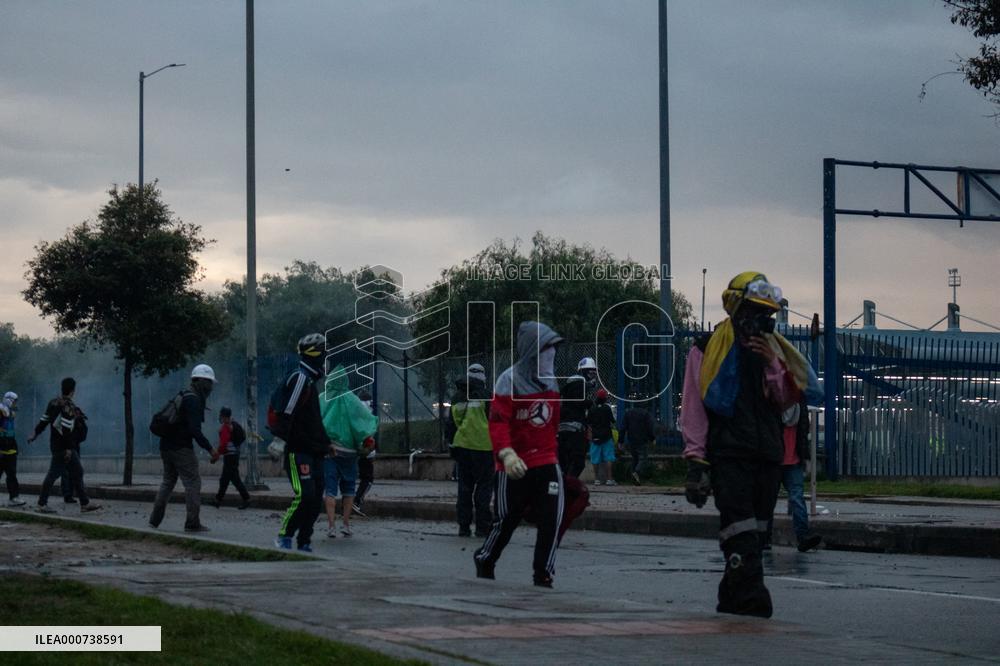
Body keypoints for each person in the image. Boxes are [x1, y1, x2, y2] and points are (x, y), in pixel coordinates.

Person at [680, 271, 808, 618]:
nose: (760, 321)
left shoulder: (775, 352)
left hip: (767, 456)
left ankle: (731, 600)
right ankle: (754, 601)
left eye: (766, 315)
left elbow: (786, 403)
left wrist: (770, 363)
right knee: (740, 532)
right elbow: (694, 408)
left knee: (757, 535)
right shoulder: (706, 349)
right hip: (728, 455)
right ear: (736, 309)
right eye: (753, 312)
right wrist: (696, 461)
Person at [474, 321, 564, 588]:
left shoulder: (552, 382)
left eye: (553, 348)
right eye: (546, 348)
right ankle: (486, 557)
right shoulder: (508, 381)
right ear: (531, 351)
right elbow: (498, 421)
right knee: (507, 519)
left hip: (546, 460)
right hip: (513, 463)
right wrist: (506, 453)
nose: (551, 353)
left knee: (551, 520)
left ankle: (543, 573)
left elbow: (553, 424)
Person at [272, 333, 330, 552]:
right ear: (316, 354)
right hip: (298, 451)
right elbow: (287, 412)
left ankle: (304, 541)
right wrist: (279, 440)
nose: (325, 358)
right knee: (305, 495)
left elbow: (313, 422)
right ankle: (284, 536)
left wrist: (326, 444)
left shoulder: (310, 383)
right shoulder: (300, 379)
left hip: (315, 452)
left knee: (315, 500)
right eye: (323, 352)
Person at [148, 365, 216, 532]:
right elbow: (194, 429)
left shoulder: (183, 394)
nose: (211, 388)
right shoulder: (193, 400)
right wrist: (210, 449)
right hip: (181, 448)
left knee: (167, 482)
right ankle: (192, 523)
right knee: (193, 483)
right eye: (209, 383)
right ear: (203, 382)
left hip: (166, 447)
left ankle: (154, 520)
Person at [320, 364, 377, 539]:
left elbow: (314, 421)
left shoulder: (322, 398)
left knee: (330, 490)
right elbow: (363, 424)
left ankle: (331, 526)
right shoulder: (352, 399)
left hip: (330, 452)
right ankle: (345, 524)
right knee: (349, 490)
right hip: (350, 453)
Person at [29, 378, 100, 514]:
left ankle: (84, 503)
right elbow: (67, 430)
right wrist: (68, 449)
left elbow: (44, 420)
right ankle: (42, 504)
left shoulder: (53, 402)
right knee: (54, 474)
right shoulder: (68, 406)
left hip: (55, 445)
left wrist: (35, 434)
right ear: (73, 391)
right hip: (64, 447)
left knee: (76, 471)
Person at [766, 396, 822, 552]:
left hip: (788, 459)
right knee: (793, 498)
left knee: (772, 500)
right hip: (781, 460)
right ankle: (800, 536)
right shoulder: (795, 405)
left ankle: (799, 537)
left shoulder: (774, 404)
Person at [450, 363, 494, 537]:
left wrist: (452, 446)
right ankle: (483, 527)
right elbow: (496, 422)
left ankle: (464, 526)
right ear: (483, 377)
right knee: (484, 487)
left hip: (462, 446)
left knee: (464, 488)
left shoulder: (457, 397)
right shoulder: (488, 396)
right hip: (484, 447)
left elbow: (451, 424)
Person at [211, 407, 250, 510]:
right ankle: (217, 500)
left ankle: (246, 499)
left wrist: (216, 455)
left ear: (223, 416)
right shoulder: (234, 424)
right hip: (234, 455)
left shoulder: (225, 427)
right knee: (224, 479)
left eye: (221, 415)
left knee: (234, 479)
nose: (220, 417)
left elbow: (223, 444)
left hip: (229, 456)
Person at [556, 375, 589, 478]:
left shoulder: (563, 397)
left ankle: (565, 481)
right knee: (578, 462)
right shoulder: (578, 395)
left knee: (564, 462)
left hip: (562, 431)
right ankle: (569, 482)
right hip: (576, 432)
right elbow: (583, 403)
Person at [353, 390, 377, 517]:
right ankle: (356, 501)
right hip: (365, 451)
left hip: (354, 449)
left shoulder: (355, 411)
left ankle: (350, 502)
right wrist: (371, 450)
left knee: (352, 478)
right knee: (368, 478)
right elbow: (368, 433)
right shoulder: (368, 414)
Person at [0, 392, 25, 506]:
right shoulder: (1, 411)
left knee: (12, 475)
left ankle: (14, 497)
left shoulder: (11, 413)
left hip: (11, 448)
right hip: (1, 449)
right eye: (14, 401)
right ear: (9, 400)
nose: (15, 403)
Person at [587, 389, 616, 486]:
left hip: (595, 437)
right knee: (609, 457)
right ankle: (609, 479)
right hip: (607, 436)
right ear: (605, 398)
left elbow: (588, 423)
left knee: (595, 459)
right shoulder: (607, 408)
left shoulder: (592, 408)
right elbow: (612, 421)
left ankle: (596, 479)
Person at [622, 401, 656, 485]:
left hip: (631, 439)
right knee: (643, 458)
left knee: (635, 458)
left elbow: (623, 428)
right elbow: (649, 427)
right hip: (642, 439)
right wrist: (652, 438)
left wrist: (620, 440)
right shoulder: (646, 414)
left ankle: (635, 479)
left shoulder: (628, 413)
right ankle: (636, 472)